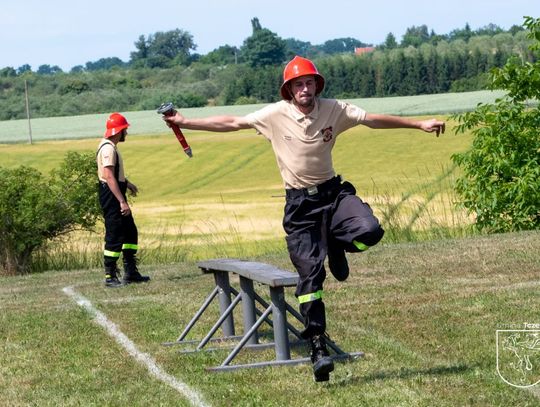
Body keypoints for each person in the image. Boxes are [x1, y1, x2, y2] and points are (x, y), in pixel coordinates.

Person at [163, 56, 445, 381]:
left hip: (333, 195)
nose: (305, 89)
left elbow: (372, 119)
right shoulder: (274, 116)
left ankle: (337, 245)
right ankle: (317, 348)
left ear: (317, 85)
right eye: (299, 84)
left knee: (370, 230)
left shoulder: (334, 109)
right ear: (289, 89)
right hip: (299, 207)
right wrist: (185, 122)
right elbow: (231, 122)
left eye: (310, 82)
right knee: (310, 282)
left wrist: (419, 124)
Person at [96, 112, 150, 287]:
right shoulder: (108, 149)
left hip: (116, 191)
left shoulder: (111, 146)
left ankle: (131, 272)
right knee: (114, 234)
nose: (126, 133)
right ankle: (110, 276)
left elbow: (115, 176)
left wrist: (127, 184)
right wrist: (122, 201)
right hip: (111, 196)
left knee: (129, 232)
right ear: (119, 131)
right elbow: (108, 176)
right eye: (125, 129)